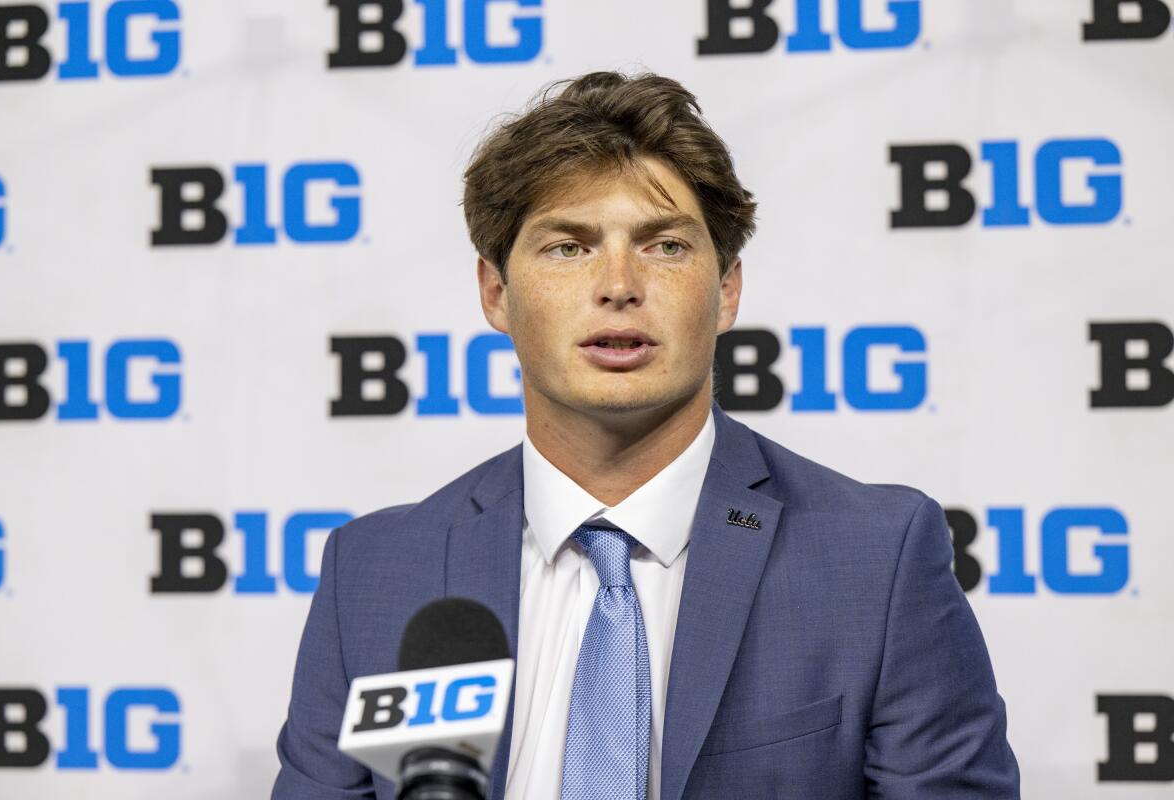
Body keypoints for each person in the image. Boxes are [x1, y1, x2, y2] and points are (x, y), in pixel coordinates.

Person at [272, 71, 1020, 799]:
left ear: (727, 290)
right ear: (496, 293)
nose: (619, 282)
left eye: (665, 245)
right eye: (569, 246)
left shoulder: (874, 560)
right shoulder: (374, 576)